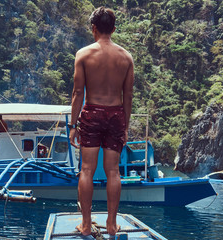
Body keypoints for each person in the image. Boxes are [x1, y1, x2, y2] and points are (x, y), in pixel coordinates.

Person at [69, 6, 134, 236]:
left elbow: (78, 93)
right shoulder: (126, 57)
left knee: (86, 170)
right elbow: (128, 96)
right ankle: (111, 225)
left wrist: (73, 125)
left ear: (94, 28)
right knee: (113, 171)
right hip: (116, 115)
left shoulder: (83, 55)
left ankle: (86, 225)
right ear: (114, 29)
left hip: (92, 113)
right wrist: (125, 126)